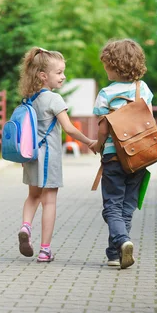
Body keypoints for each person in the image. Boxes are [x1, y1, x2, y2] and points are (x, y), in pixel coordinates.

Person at [17, 47, 97, 263]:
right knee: (49, 202)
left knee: (33, 196)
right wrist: (89, 142)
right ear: (44, 76)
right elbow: (69, 129)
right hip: (49, 159)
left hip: (31, 157)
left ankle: (25, 226)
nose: (63, 76)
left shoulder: (28, 100)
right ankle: (45, 250)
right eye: (59, 72)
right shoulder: (54, 100)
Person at [92, 39, 154, 269]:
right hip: (139, 155)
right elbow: (149, 119)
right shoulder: (143, 89)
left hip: (113, 156)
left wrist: (98, 145)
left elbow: (103, 127)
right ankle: (114, 254)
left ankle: (123, 241)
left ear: (115, 65)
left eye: (106, 64)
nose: (105, 69)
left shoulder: (106, 94)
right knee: (126, 206)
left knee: (112, 206)